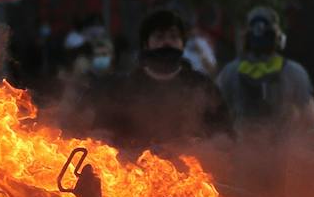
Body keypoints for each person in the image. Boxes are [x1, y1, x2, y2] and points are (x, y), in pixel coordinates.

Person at [96, 8, 224, 151]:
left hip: (191, 169)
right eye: (159, 37)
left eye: (173, 37)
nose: (166, 43)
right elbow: (103, 137)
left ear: (183, 43)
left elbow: (224, 137)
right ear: (146, 44)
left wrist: (196, 145)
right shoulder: (123, 89)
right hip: (133, 169)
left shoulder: (202, 87)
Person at [217, 6, 314, 133]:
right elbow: (311, 119)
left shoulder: (230, 71)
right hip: (283, 149)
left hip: (241, 148)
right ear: (278, 37)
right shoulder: (294, 71)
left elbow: (215, 114)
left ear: (246, 38)